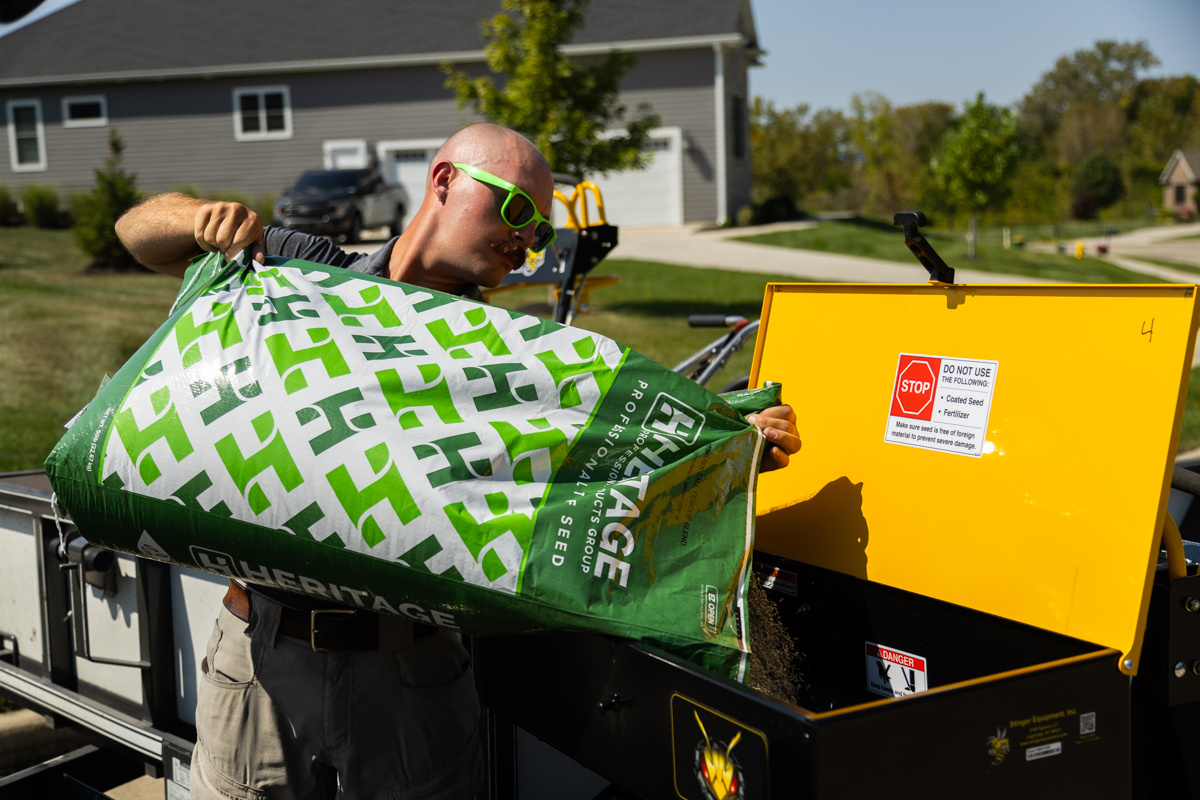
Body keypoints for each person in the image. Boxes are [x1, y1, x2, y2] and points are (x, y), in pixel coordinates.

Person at [115, 122, 801, 799]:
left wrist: (725, 450)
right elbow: (136, 234)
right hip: (258, 653)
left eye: (538, 229)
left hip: (410, 673)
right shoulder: (303, 270)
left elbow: (598, 474)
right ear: (444, 180)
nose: (527, 237)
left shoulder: (507, 358)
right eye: (518, 208)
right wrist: (201, 217)